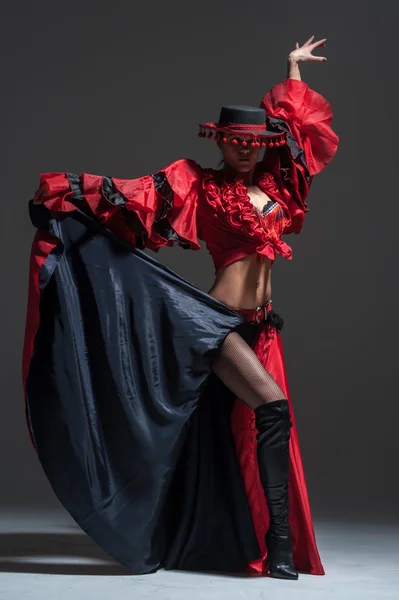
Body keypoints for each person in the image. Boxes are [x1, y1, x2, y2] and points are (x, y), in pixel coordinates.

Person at [22, 36, 338, 581]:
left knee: (238, 429)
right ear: (221, 141)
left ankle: (240, 535)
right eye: (235, 141)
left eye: (253, 141)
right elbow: (135, 194)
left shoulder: (278, 188)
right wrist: (70, 195)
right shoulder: (200, 185)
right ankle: (279, 543)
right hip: (215, 324)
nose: (245, 149)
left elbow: (302, 134)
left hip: (263, 327)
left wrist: (291, 69)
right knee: (273, 406)